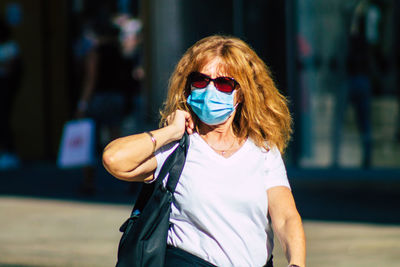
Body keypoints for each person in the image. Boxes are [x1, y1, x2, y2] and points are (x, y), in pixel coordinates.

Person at [103, 35, 306, 267]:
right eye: (200, 81)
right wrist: (169, 132)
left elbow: (286, 217)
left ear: (241, 92)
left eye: (223, 83)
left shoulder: (262, 151)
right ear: (188, 87)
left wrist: (296, 263)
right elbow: (113, 159)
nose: (210, 89)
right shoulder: (176, 148)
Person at [0, 18, 22, 170]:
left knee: (4, 119)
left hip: (6, 87)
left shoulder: (10, 47)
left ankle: (9, 153)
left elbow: (11, 67)